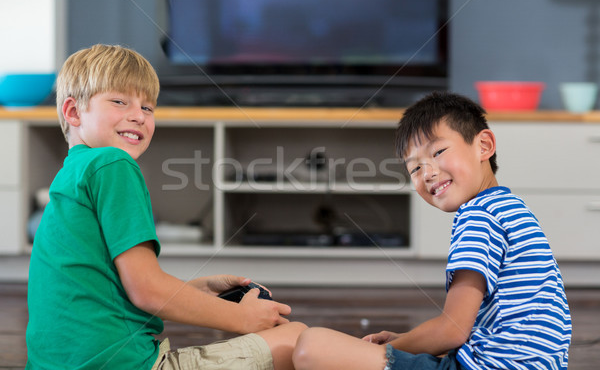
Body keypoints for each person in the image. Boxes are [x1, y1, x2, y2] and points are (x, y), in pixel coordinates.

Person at [26, 44, 306, 370]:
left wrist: (199, 290)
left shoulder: (71, 174)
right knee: (297, 339)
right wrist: (242, 318)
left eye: (148, 107)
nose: (138, 116)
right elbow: (147, 291)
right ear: (73, 112)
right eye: (119, 101)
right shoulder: (112, 163)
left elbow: (112, 289)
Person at [292, 91, 572, 370]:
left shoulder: (478, 216)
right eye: (414, 169)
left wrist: (388, 348)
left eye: (438, 152)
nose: (427, 173)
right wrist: (407, 340)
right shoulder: (509, 208)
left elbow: (452, 331)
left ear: (484, 146)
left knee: (310, 346)